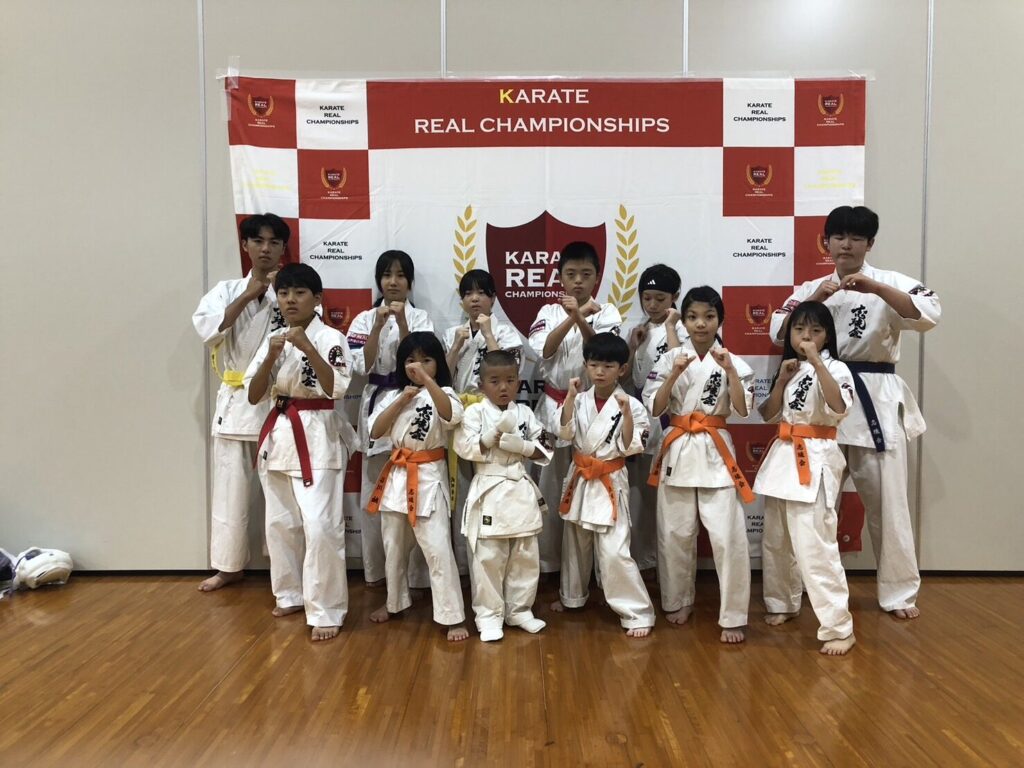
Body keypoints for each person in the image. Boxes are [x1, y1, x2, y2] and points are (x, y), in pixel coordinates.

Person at [769, 206, 940, 619]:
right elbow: (778, 332)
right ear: (826, 242)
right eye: (839, 237)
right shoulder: (811, 287)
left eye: (856, 238)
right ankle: (797, 592)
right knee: (807, 505)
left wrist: (876, 289)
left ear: (870, 243)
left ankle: (899, 593)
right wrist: (817, 299)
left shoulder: (891, 282)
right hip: (816, 404)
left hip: (873, 399)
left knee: (888, 504)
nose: (846, 245)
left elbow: (929, 314)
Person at [244, 263, 353, 642]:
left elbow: (336, 388)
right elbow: (253, 395)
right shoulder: (273, 339)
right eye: (284, 292)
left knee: (321, 526)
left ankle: (327, 608)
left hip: (318, 435)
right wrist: (270, 358)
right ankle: (289, 593)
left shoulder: (331, 338)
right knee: (280, 524)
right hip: (279, 436)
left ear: (317, 299)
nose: (290, 299)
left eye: (299, 292)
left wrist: (308, 348)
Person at [643, 286, 754, 643]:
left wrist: (730, 371)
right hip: (677, 448)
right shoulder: (669, 359)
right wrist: (674, 374)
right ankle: (679, 600)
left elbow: (742, 410)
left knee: (728, 538)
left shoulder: (733, 361)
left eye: (708, 316)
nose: (700, 324)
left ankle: (733, 615)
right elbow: (655, 408)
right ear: (684, 321)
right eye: (692, 317)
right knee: (675, 534)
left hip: (715, 450)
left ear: (720, 319)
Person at [192, 213, 289, 592]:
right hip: (235, 404)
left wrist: (276, 293)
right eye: (258, 241)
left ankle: (284, 567)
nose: (266, 249)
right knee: (230, 491)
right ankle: (229, 566)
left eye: (274, 242)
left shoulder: (290, 291)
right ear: (245, 245)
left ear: (283, 248)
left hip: (277, 404)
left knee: (280, 493)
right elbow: (208, 332)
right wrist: (249, 294)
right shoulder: (226, 290)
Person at [756, 301, 857, 656]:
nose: (806, 337)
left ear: (827, 335)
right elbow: (768, 414)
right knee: (777, 540)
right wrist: (783, 380)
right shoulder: (789, 368)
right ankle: (783, 601)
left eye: (815, 330)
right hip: (783, 457)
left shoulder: (837, 368)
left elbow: (839, 408)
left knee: (815, 547)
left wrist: (817, 362)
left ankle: (839, 626)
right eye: (799, 330)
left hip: (815, 458)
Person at [550, 333, 656, 637]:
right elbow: (564, 433)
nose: (599, 372)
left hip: (609, 478)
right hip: (580, 476)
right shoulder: (579, 399)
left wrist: (626, 414)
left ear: (622, 369)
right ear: (585, 365)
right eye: (594, 365)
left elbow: (631, 447)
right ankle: (572, 597)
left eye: (608, 366)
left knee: (614, 551)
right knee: (575, 543)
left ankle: (636, 612)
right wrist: (570, 397)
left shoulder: (631, 404)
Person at [366, 332, 469, 642]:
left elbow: (451, 416)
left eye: (426, 360)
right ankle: (394, 602)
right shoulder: (392, 396)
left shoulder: (445, 393)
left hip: (429, 477)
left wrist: (426, 380)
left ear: (438, 364)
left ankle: (452, 615)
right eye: (410, 360)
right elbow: (376, 431)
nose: (417, 366)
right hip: (397, 475)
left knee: (438, 549)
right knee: (394, 547)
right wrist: (402, 399)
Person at [528, 241, 622, 572]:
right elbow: (545, 350)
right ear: (560, 277)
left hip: (592, 408)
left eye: (585, 274)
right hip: (552, 405)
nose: (578, 281)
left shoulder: (608, 312)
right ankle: (548, 562)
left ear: (597, 276)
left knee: (588, 485)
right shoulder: (547, 312)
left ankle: (589, 568)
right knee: (550, 484)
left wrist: (582, 316)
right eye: (571, 274)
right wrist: (574, 316)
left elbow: (601, 352)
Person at [347, 251, 433, 587]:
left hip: (410, 399)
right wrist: (378, 326)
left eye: (400, 275)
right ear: (378, 281)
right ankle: (377, 572)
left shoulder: (421, 317)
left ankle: (412, 577)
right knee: (374, 489)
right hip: (376, 400)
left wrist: (402, 323)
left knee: (412, 486)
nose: (393, 282)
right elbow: (360, 366)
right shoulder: (364, 319)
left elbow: (421, 363)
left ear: (409, 282)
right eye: (386, 275)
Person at [453, 350, 551, 641]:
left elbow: (545, 448)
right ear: (481, 384)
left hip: (519, 486)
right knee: (488, 557)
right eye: (495, 381)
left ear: (519, 382)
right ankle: (488, 616)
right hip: (490, 486)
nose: (503, 387)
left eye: (510, 380)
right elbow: (464, 448)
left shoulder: (525, 413)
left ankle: (520, 610)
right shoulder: (474, 413)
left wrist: (523, 447)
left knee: (525, 554)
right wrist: (490, 436)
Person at [442, 269, 522, 574]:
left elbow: (508, 373)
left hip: (494, 411)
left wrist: (488, 335)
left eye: (481, 293)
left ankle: (498, 562)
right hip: (462, 412)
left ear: (493, 299)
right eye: (468, 294)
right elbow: (442, 377)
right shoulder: (454, 333)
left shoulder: (506, 334)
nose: (474, 299)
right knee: (462, 488)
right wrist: (455, 347)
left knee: (494, 482)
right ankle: (464, 565)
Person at [625, 264, 685, 572]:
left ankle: (669, 565)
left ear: (675, 297)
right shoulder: (640, 329)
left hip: (671, 419)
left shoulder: (684, 329)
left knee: (670, 497)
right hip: (643, 418)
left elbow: (683, 371)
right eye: (646, 298)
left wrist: (672, 327)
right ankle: (644, 559)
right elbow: (628, 376)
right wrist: (632, 346)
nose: (652, 305)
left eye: (660, 298)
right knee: (642, 495)